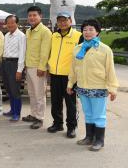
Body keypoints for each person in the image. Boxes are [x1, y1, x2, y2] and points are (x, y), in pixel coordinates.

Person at [67, 19, 119, 151]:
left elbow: (110, 70)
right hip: (83, 87)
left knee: (99, 115)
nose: (87, 32)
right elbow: (73, 69)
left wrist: (112, 89)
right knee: (88, 113)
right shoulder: (78, 49)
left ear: (97, 32)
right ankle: (89, 137)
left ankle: (99, 140)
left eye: (91, 29)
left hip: (99, 88)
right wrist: (70, 83)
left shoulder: (105, 49)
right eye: (85, 29)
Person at [47, 12, 82, 137]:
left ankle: (71, 127)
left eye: (65, 20)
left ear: (70, 21)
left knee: (70, 103)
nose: (62, 23)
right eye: (60, 21)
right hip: (55, 74)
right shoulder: (54, 35)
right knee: (55, 101)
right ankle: (57, 123)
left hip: (70, 76)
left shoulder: (78, 36)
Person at [23, 6, 52, 129]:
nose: (32, 18)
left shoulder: (45, 31)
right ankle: (33, 114)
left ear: (40, 16)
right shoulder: (28, 31)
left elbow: (45, 51)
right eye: (30, 15)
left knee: (39, 94)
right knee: (32, 93)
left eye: (34, 15)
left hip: (38, 68)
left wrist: (42, 67)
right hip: (29, 66)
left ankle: (40, 118)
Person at [2, 15, 26, 121]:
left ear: (17, 24)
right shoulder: (6, 35)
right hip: (5, 63)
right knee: (9, 89)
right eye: (8, 23)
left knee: (15, 90)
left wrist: (19, 70)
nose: (10, 25)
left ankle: (17, 113)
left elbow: (22, 54)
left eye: (12, 22)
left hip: (15, 64)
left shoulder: (21, 36)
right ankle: (12, 110)